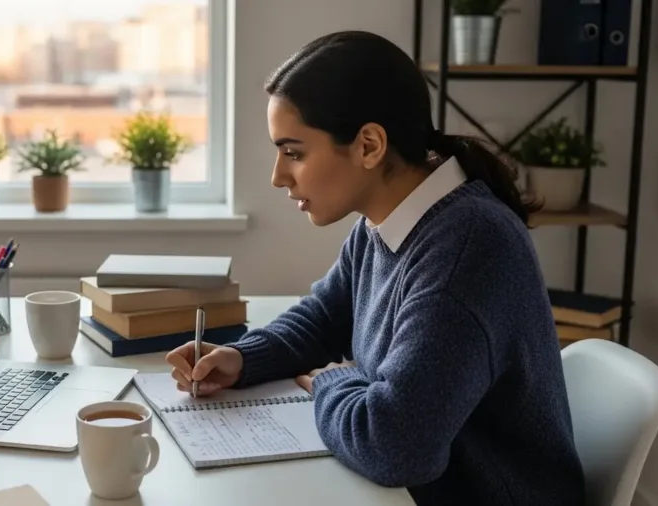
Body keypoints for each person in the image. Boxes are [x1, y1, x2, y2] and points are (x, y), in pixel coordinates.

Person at [165, 30, 585, 506]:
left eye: (294, 152)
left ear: (369, 145)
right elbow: (326, 316)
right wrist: (243, 358)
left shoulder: (467, 250)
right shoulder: (388, 221)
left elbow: (396, 447)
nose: (278, 176)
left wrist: (331, 381)